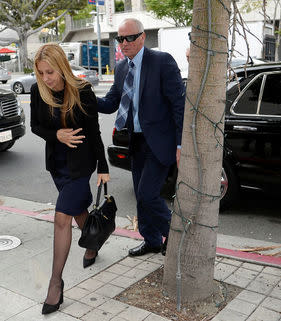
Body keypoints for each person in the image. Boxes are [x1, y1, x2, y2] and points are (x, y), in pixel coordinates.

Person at [30, 43, 110, 315]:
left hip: (80, 164)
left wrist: (103, 165)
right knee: (76, 211)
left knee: (62, 217)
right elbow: (35, 126)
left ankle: (55, 283)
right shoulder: (37, 90)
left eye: (50, 72)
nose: (46, 78)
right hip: (57, 165)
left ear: (62, 66)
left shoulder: (82, 90)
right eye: (41, 72)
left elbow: (94, 131)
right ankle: (94, 241)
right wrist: (57, 135)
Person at [98, 18, 185, 257]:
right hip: (136, 143)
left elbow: (179, 106)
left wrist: (180, 144)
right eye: (120, 39)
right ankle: (152, 241)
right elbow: (110, 103)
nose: (124, 43)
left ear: (142, 37)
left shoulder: (161, 62)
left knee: (148, 194)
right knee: (140, 195)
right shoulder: (122, 68)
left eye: (129, 38)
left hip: (160, 142)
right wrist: (83, 96)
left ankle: (179, 237)